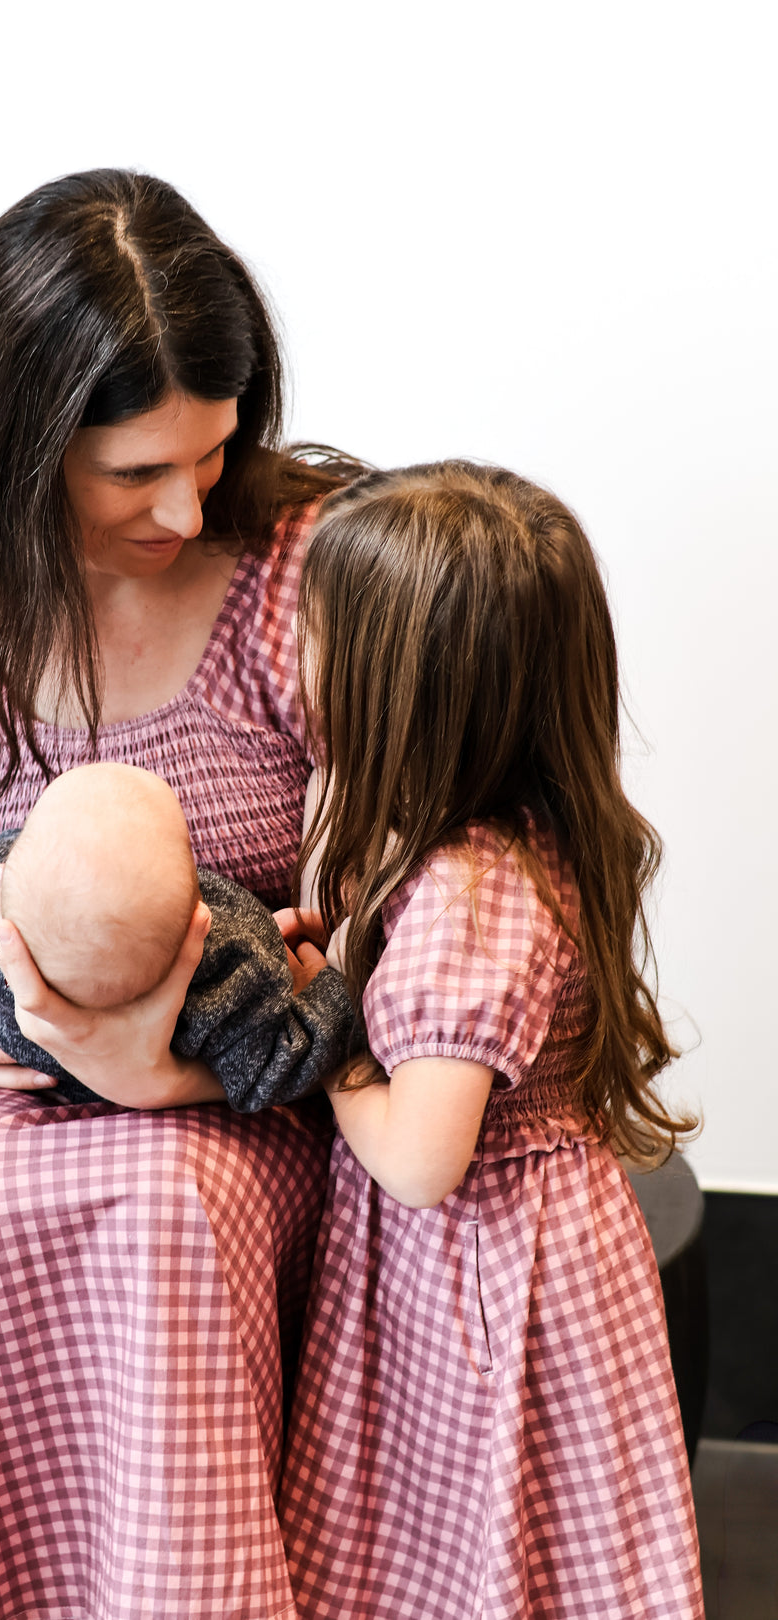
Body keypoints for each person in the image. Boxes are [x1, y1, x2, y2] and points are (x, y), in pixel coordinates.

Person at [0, 169, 355, 1620]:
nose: (186, 504)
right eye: (132, 472)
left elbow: (387, 919)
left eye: (215, 452)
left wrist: (186, 1061)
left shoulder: (305, 575)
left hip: (245, 1086)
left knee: (165, 1208)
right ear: (13, 446)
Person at [277, 462, 704, 1618]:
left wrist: (329, 1032)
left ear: (394, 687)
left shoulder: (468, 899)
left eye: (313, 634)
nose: (293, 656)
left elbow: (421, 1159)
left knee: (468, 1536)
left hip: (479, 1271)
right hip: (532, 1245)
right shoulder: (508, 839)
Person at [0, 761, 353, 1110]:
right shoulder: (229, 968)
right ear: (199, 908)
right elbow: (279, 1066)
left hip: (24, 1093)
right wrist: (339, 988)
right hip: (179, 1119)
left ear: (4, 874)